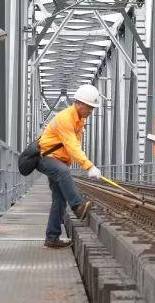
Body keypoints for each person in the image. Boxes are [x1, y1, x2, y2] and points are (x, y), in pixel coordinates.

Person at [37, 84, 102, 248]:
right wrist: (88, 166)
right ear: (79, 103)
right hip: (45, 157)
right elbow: (72, 146)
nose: (91, 111)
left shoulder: (79, 120)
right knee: (64, 172)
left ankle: (51, 238)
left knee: (59, 199)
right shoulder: (65, 118)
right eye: (90, 107)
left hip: (58, 160)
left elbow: (73, 148)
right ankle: (78, 207)